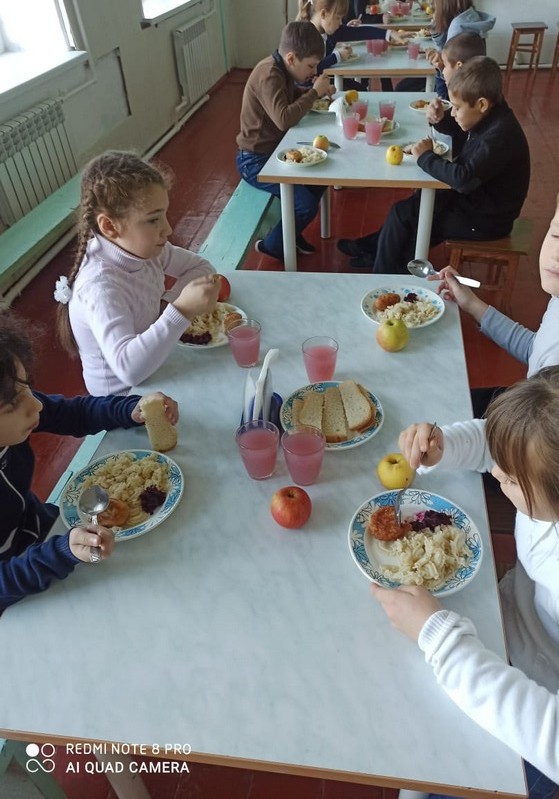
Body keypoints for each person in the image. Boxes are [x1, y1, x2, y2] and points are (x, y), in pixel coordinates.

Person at [374, 363, 559, 799]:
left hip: (543, 708)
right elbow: (501, 447)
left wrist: (439, 637)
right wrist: (446, 444)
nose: (496, 475)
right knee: (408, 724)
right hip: (498, 624)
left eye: (510, 480)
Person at [0, 311, 178, 611]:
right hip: (19, 597)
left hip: (46, 532)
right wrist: (60, 553)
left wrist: (128, 409)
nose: (36, 405)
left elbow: (73, 412)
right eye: (13, 403)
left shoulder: (20, 408)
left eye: (27, 388)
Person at [337, 57, 530, 273]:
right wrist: (441, 119)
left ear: (482, 104)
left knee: (409, 215)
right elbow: (462, 132)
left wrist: (426, 157)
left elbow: (463, 179)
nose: (453, 112)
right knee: (411, 210)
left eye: (456, 108)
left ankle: (381, 273)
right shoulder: (491, 114)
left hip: (487, 219)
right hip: (475, 201)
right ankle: (376, 254)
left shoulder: (500, 135)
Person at [438, 166, 559, 416]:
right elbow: (537, 350)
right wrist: (471, 303)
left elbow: (534, 432)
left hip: (536, 425)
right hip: (538, 405)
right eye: (557, 234)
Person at [56, 150, 220, 396]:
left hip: (155, 367)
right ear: (109, 226)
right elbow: (129, 370)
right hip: (122, 399)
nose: (167, 229)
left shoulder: (144, 250)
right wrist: (181, 310)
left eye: (164, 215)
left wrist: (167, 303)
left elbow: (202, 268)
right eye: (153, 220)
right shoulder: (100, 287)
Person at [236, 21, 335, 262]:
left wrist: (313, 93)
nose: (313, 71)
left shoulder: (281, 69)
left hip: (276, 152)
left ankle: (291, 232)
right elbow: (283, 119)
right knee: (305, 206)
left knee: (321, 178)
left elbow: (287, 98)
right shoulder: (269, 74)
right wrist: (314, 92)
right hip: (255, 160)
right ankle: (272, 245)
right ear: (291, 58)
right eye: (310, 66)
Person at [298, 0, 409, 91]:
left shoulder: (332, 31)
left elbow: (360, 32)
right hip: (307, 90)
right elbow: (309, 70)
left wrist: (389, 33)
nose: (340, 23)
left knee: (361, 90)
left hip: (324, 82)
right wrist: (337, 56)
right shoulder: (304, 35)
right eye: (337, 18)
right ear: (323, 14)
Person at [395, 0, 494, 96]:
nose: (432, 3)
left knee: (402, 89)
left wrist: (441, 66)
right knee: (403, 86)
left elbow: (445, 95)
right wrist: (436, 26)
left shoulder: (458, 28)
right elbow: (446, 51)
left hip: (454, 91)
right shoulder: (468, 17)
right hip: (462, 86)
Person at [424, 31, 486, 157]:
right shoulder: (473, 93)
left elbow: (465, 170)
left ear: (459, 67)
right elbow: (458, 129)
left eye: (445, 65)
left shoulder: (490, 137)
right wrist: (440, 119)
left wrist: (426, 157)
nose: (443, 71)